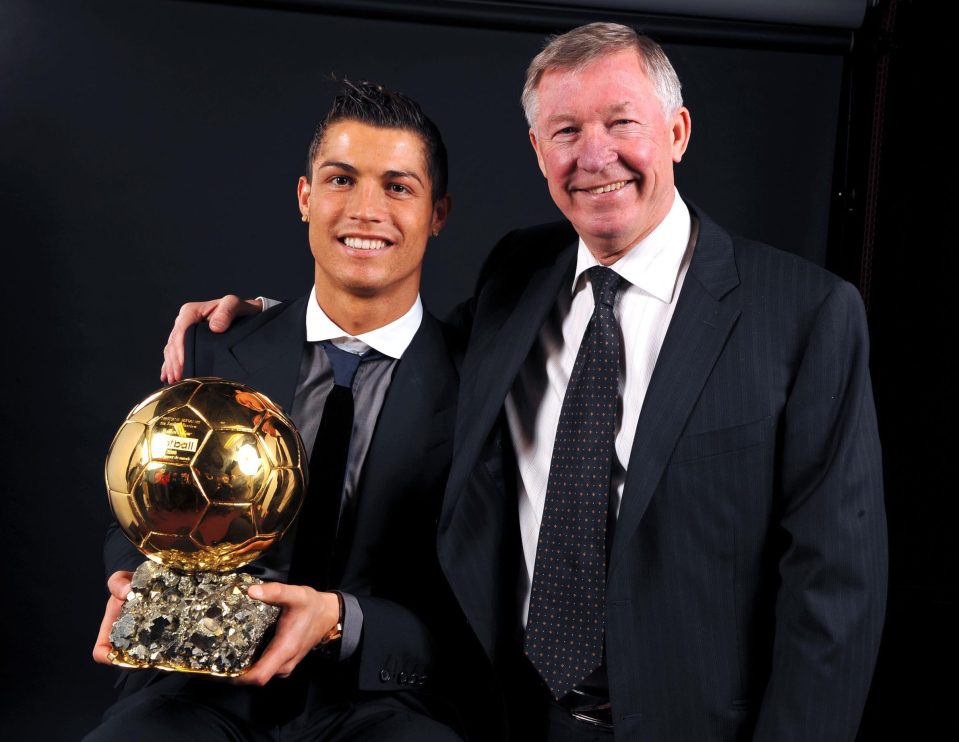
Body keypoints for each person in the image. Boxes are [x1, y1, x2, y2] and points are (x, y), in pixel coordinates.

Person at [161, 23, 887, 741]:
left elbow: (835, 593)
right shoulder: (518, 275)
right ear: (539, 151)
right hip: (503, 714)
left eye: (621, 122)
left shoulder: (802, 315)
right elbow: (408, 346)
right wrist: (266, 326)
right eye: (565, 130)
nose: (594, 154)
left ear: (676, 131)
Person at [88, 81, 489, 741]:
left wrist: (341, 619)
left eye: (397, 186)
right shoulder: (214, 345)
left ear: (437, 212)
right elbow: (140, 515)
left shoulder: (481, 380)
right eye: (340, 179)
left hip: (382, 699)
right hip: (202, 687)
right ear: (305, 197)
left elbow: (482, 603)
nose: (364, 210)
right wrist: (130, 579)